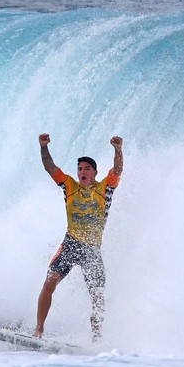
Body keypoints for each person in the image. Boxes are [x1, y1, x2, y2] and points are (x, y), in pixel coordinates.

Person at [34, 132, 123, 342]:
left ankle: (96, 339)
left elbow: (118, 169)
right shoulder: (70, 186)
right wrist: (43, 146)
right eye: (80, 169)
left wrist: (118, 150)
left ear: (95, 172)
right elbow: (49, 167)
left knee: (97, 297)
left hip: (91, 250)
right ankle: (38, 330)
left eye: (86, 169)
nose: (82, 172)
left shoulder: (105, 189)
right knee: (50, 281)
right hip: (71, 244)